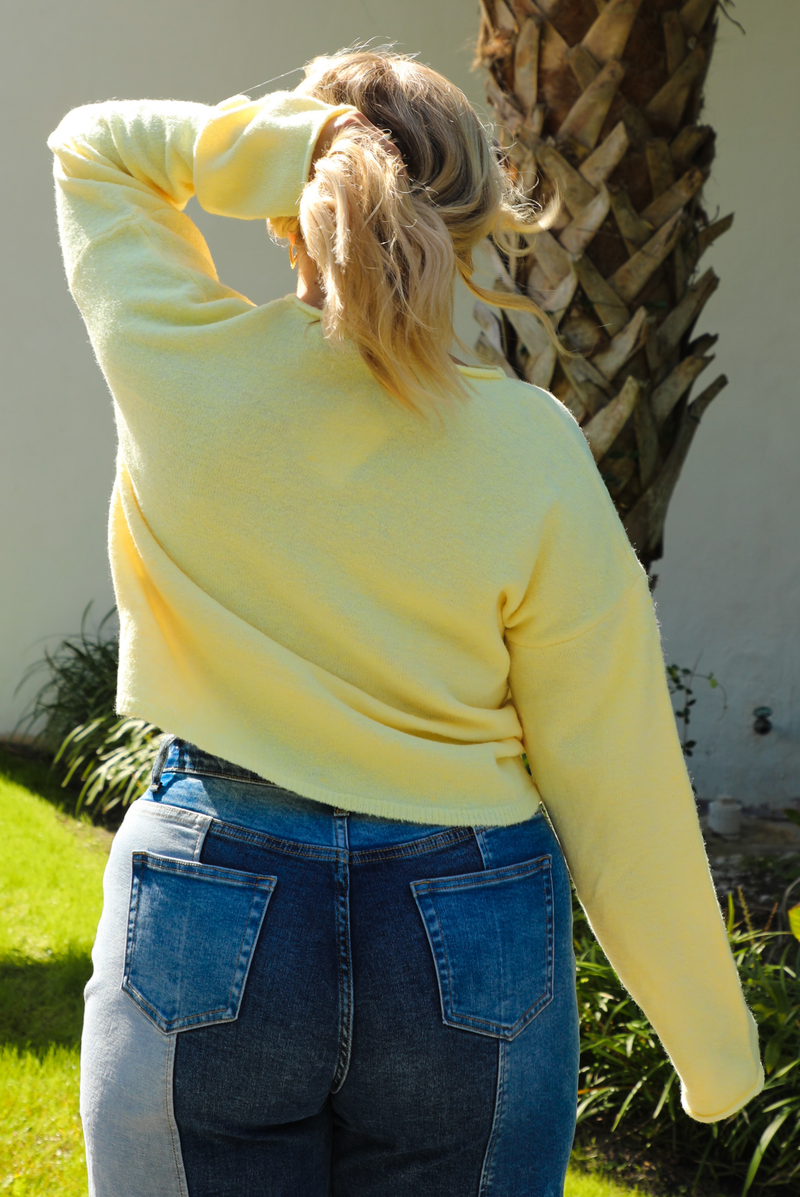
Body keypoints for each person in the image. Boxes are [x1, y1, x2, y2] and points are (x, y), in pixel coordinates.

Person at [48, 46, 763, 1197]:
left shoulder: (179, 363)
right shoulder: (533, 448)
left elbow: (93, 144)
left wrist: (303, 151)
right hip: (466, 914)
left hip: (210, 888)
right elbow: (612, 765)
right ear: (480, 215)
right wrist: (710, 1051)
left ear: (291, 216)